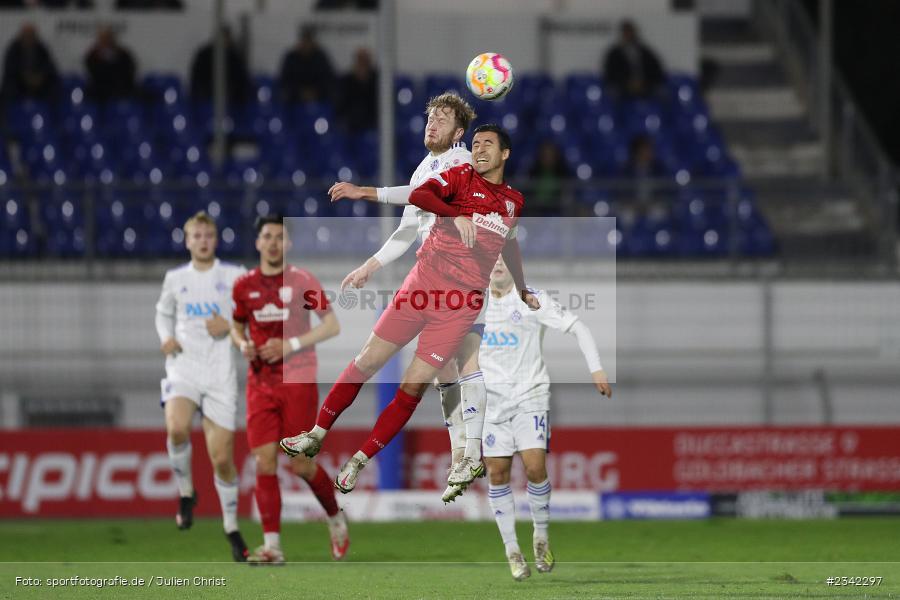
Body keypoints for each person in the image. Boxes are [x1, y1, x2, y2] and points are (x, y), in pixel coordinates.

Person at [281, 124, 539, 497]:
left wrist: (522, 286)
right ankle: (316, 434)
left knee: (414, 385)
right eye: (477, 143)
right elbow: (421, 195)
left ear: (505, 155)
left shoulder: (514, 201)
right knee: (366, 361)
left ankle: (359, 460)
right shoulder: (459, 177)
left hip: (459, 304)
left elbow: (509, 245)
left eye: (489, 145)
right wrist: (455, 215)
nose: (480, 149)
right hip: (421, 286)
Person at [325, 92, 485, 502]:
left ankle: (468, 455)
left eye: (443, 119)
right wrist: (369, 267)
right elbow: (405, 231)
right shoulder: (424, 167)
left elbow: (421, 196)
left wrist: (366, 191)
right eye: (429, 117)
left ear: (459, 133)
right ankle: (462, 458)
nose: (432, 123)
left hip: (460, 280)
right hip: (432, 278)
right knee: (446, 368)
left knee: (462, 363)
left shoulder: (462, 161)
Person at [481, 255, 612, 581]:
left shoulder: (532, 299)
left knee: (535, 466)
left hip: (531, 397)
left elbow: (577, 326)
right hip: (491, 405)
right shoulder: (472, 303)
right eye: (491, 257)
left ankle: (540, 537)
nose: (497, 263)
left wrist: (595, 368)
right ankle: (512, 551)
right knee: (497, 474)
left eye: (503, 258)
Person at [230, 215, 348, 565]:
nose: (272, 242)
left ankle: (335, 518)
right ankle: (272, 547)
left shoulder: (302, 280)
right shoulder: (243, 286)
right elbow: (237, 327)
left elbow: (331, 325)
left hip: (297, 381)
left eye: (279, 237)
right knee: (264, 462)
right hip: (260, 384)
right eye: (266, 236)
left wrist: (290, 343)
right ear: (257, 242)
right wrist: (242, 345)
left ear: (288, 244)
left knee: (300, 465)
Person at [154, 211, 249, 562]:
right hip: (183, 367)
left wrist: (231, 325)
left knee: (222, 459)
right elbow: (162, 313)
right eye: (197, 235)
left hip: (220, 374)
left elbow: (251, 315)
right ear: (187, 240)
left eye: (208, 234)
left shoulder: (235, 275)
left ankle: (231, 527)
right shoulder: (175, 278)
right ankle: (185, 492)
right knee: (177, 427)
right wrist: (165, 337)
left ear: (216, 239)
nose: (203, 240)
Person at [602, 20, 665, 100]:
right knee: (612, 93)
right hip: (622, 87)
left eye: (630, 32)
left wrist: (643, 83)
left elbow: (656, 71)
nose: (628, 35)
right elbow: (610, 74)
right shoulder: (614, 54)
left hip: (645, 86)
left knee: (662, 92)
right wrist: (627, 83)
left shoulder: (645, 52)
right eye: (626, 32)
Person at [190, 27, 251, 107]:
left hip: (230, 101)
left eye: (225, 39)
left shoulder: (234, 57)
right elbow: (196, 79)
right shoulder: (204, 55)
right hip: (207, 97)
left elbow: (241, 80)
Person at [0, 23, 59, 105]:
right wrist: (25, 77)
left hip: (39, 83)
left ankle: (50, 115)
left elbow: (49, 66)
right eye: (27, 36)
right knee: (8, 89)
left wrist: (40, 77)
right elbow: (10, 68)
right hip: (19, 83)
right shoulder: (13, 49)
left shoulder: (41, 49)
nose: (29, 38)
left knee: (54, 88)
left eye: (31, 36)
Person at [278, 25, 335, 105]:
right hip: (295, 99)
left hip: (318, 98)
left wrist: (315, 92)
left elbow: (329, 80)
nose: (307, 44)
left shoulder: (321, 58)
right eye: (304, 40)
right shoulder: (291, 57)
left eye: (309, 40)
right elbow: (284, 81)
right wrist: (300, 93)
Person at [84, 26, 137, 103]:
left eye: (107, 38)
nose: (105, 41)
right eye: (103, 39)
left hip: (119, 87)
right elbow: (92, 70)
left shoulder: (123, 53)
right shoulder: (93, 55)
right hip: (99, 88)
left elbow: (129, 70)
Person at [335, 48, 377, 132]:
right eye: (360, 60)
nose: (363, 64)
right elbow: (341, 104)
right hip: (352, 122)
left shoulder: (377, 79)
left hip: (372, 119)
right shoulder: (347, 80)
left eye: (365, 61)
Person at [526, 140, 570, 217]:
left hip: (555, 207)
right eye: (545, 155)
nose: (548, 158)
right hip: (536, 208)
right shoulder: (533, 172)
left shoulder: (562, 172)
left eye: (550, 155)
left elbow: (565, 194)